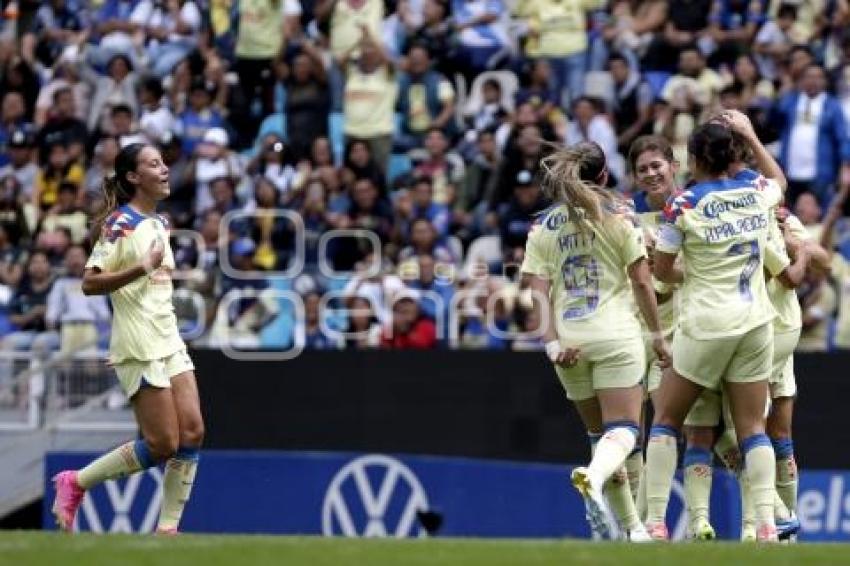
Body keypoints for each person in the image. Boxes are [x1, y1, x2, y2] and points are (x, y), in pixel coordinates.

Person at [51, 143, 203, 535]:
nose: (165, 169)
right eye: (154, 164)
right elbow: (89, 283)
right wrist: (140, 267)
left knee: (193, 432)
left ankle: (168, 531)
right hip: (138, 343)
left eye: (164, 162)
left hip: (169, 338)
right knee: (162, 445)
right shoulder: (120, 224)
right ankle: (76, 482)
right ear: (134, 177)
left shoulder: (161, 223)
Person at [521, 141, 670, 541]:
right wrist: (657, 336)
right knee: (623, 433)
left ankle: (634, 531)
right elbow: (642, 281)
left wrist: (551, 343)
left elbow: (535, 290)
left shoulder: (543, 226)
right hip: (616, 334)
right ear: (604, 176)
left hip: (568, 341)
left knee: (598, 437)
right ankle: (593, 476)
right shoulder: (622, 217)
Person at [645, 120, 785, 542]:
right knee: (752, 428)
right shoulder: (756, 193)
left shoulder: (682, 205)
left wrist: (680, 268)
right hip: (756, 323)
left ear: (695, 159)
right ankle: (765, 524)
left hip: (706, 325)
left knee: (667, 420)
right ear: (734, 155)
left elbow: (665, 272)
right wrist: (752, 136)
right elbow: (778, 179)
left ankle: (655, 522)